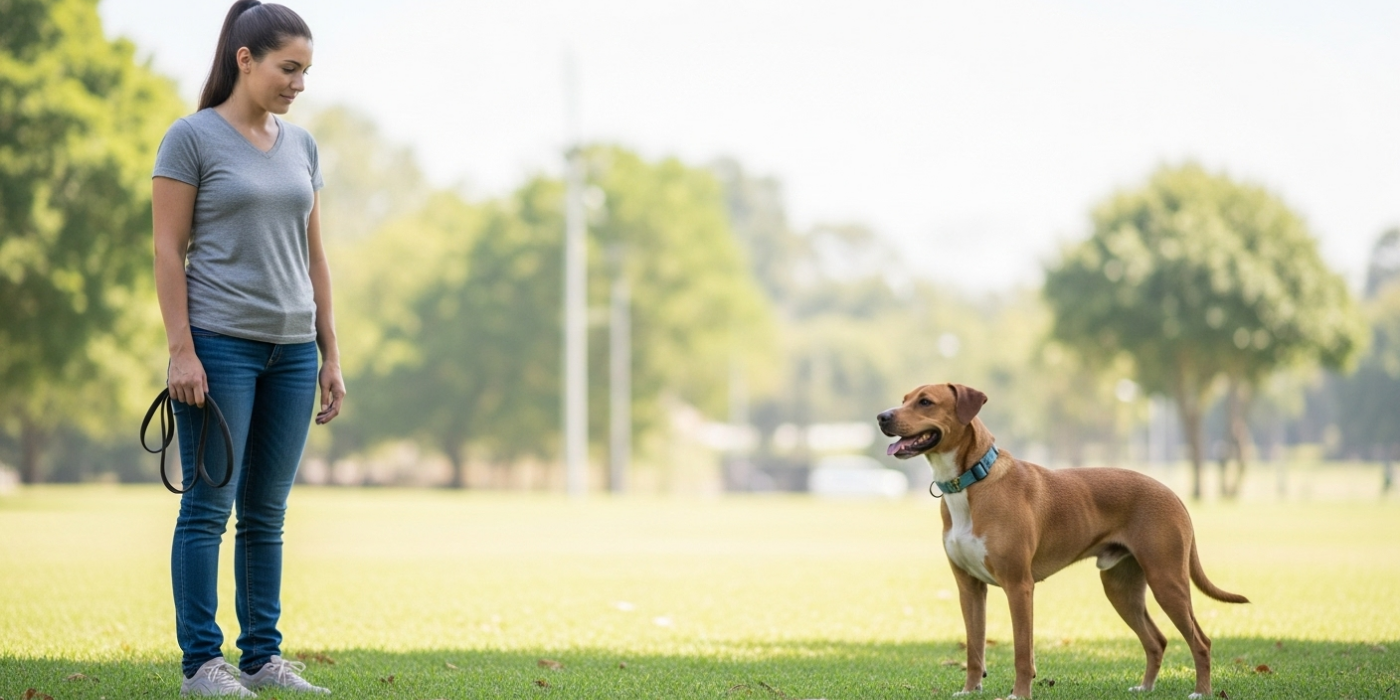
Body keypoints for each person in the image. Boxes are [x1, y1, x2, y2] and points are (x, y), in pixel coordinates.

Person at [152, 1, 343, 695]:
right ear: (245, 59)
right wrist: (182, 350)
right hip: (219, 345)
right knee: (209, 506)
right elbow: (168, 250)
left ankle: (262, 658)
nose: (298, 83)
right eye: (288, 68)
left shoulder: (302, 147)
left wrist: (330, 354)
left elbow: (315, 259)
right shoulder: (191, 138)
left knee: (268, 513)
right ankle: (202, 664)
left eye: (306, 71)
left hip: (291, 350)